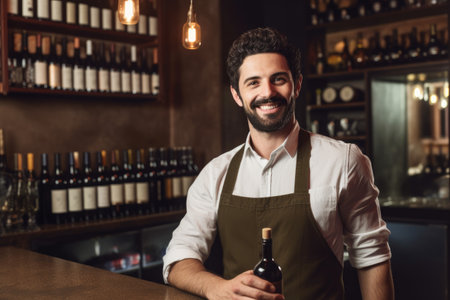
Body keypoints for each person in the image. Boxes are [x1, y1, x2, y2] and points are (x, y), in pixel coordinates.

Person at [162, 27, 394, 300]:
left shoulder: (343, 161)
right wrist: (215, 287)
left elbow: (373, 258)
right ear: (237, 95)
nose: (268, 92)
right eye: (253, 82)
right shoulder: (216, 173)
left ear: (296, 84)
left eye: (278, 79)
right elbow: (178, 258)